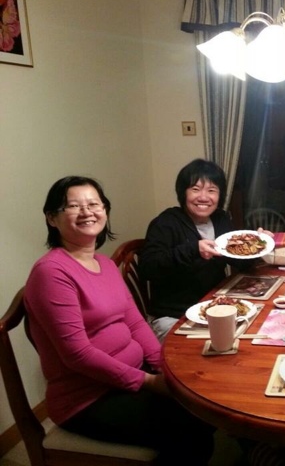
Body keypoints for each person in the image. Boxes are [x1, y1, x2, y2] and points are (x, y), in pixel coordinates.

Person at [24, 176, 214, 465]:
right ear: (52, 218)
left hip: (132, 375)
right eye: (73, 206)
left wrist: (163, 367)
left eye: (94, 204)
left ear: (105, 211)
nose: (87, 212)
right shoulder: (51, 272)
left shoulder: (104, 264)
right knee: (193, 432)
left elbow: (136, 323)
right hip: (88, 398)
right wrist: (149, 381)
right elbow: (77, 354)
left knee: (204, 400)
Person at [139, 159, 261, 341]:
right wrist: (193, 249)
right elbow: (148, 267)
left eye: (211, 190)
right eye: (195, 189)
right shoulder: (166, 223)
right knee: (227, 344)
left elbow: (240, 263)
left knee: (256, 330)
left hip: (214, 307)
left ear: (220, 195)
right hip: (174, 316)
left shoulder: (220, 219)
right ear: (183, 193)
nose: (203, 197)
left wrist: (255, 245)